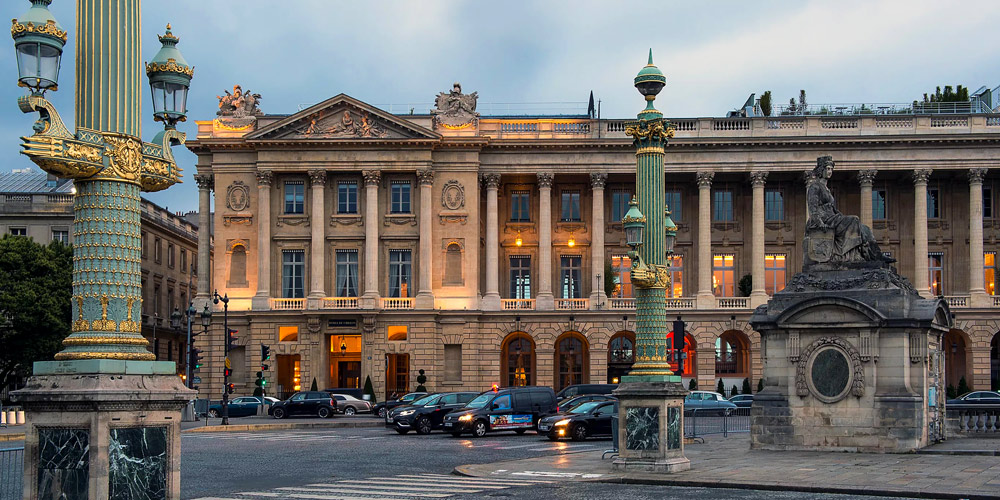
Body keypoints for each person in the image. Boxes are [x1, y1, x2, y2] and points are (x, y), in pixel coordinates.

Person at [806, 156, 893, 264]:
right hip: (825, 220)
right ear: (821, 170)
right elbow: (812, 208)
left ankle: (877, 256)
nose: (830, 172)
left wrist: (839, 215)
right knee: (854, 220)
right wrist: (820, 223)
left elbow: (832, 208)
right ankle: (852, 255)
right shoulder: (815, 187)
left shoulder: (826, 189)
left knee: (865, 228)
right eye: (828, 169)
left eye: (831, 169)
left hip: (833, 218)